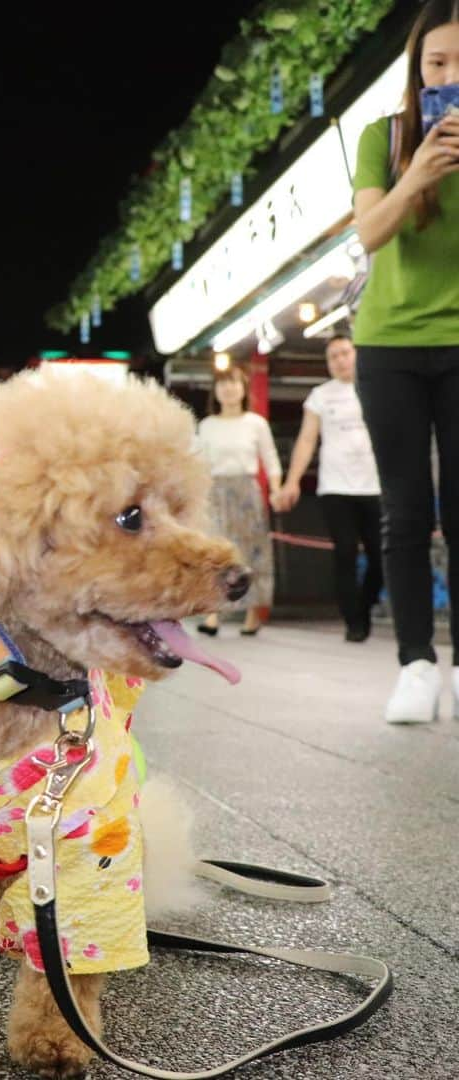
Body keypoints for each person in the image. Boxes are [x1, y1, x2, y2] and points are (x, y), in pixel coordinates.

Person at [351, 1, 459, 723]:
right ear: (417, 71)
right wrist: (417, 171)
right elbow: (370, 233)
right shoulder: (381, 138)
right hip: (386, 343)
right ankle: (416, 664)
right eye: (438, 64)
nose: (449, 76)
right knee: (404, 510)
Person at [274, 335, 382, 642]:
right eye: (333, 356)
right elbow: (307, 439)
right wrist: (292, 480)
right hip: (335, 487)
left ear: (356, 354)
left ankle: (366, 603)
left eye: (345, 353)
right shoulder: (320, 396)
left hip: (374, 485)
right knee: (345, 552)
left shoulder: (376, 386)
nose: (340, 360)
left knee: (379, 555)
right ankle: (354, 622)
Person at [195, 365, 282, 636]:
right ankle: (212, 613)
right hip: (215, 491)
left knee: (251, 552)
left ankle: (252, 614)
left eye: (233, 383)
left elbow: (271, 460)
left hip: (247, 491)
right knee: (215, 554)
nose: (228, 389)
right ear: (215, 391)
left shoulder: (256, 423)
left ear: (243, 389)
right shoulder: (206, 425)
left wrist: (277, 490)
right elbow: (196, 463)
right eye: (222, 384)